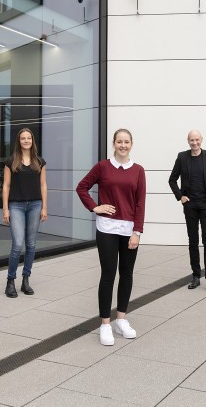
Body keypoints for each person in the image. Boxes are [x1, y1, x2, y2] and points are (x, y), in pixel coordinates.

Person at [76, 129, 146, 346]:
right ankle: (105, 324)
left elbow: (140, 203)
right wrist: (95, 207)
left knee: (127, 274)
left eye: (126, 142)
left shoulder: (138, 171)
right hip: (106, 228)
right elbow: (82, 188)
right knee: (108, 274)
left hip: (128, 232)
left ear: (131, 144)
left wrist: (137, 231)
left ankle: (121, 320)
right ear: (113, 144)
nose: (123, 145)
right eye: (119, 142)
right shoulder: (102, 167)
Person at [168, 129, 206, 294]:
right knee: (193, 241)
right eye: (192, 140)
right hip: (190, 206)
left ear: (201, 140)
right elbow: (172, 179)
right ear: (188, 141)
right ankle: (196, 276)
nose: (194, 143)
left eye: (197, 140)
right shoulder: (182, 157)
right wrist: (180, 196)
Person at [2, 128, 48, 298]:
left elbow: (43, 185)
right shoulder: (11, 161)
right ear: (19, 141)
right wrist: (5, 209)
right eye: (23, 138)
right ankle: (10, 281)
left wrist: (44, 207)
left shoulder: (40, 162)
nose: (26, 140)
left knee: (31, 244)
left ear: (32, 141)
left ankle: (25, 280)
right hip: (16, 206)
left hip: (35, 205)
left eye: (29, 138)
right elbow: (6, 186)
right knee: (17, 244)